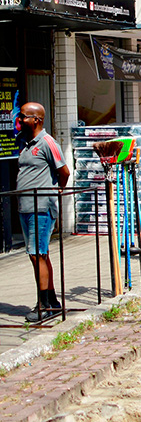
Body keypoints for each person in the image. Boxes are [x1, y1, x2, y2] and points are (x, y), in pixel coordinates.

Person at [16, 102, 69, 323]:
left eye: (23, 117)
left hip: (41, 207)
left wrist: (56, 190)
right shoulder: (24, 142)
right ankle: (52, 301)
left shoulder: (48, 142)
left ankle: (44, 306)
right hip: (25, 206)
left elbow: (64, 171)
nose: (19, 121)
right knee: (37, 254)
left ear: (36, 120)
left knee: (38, 253)